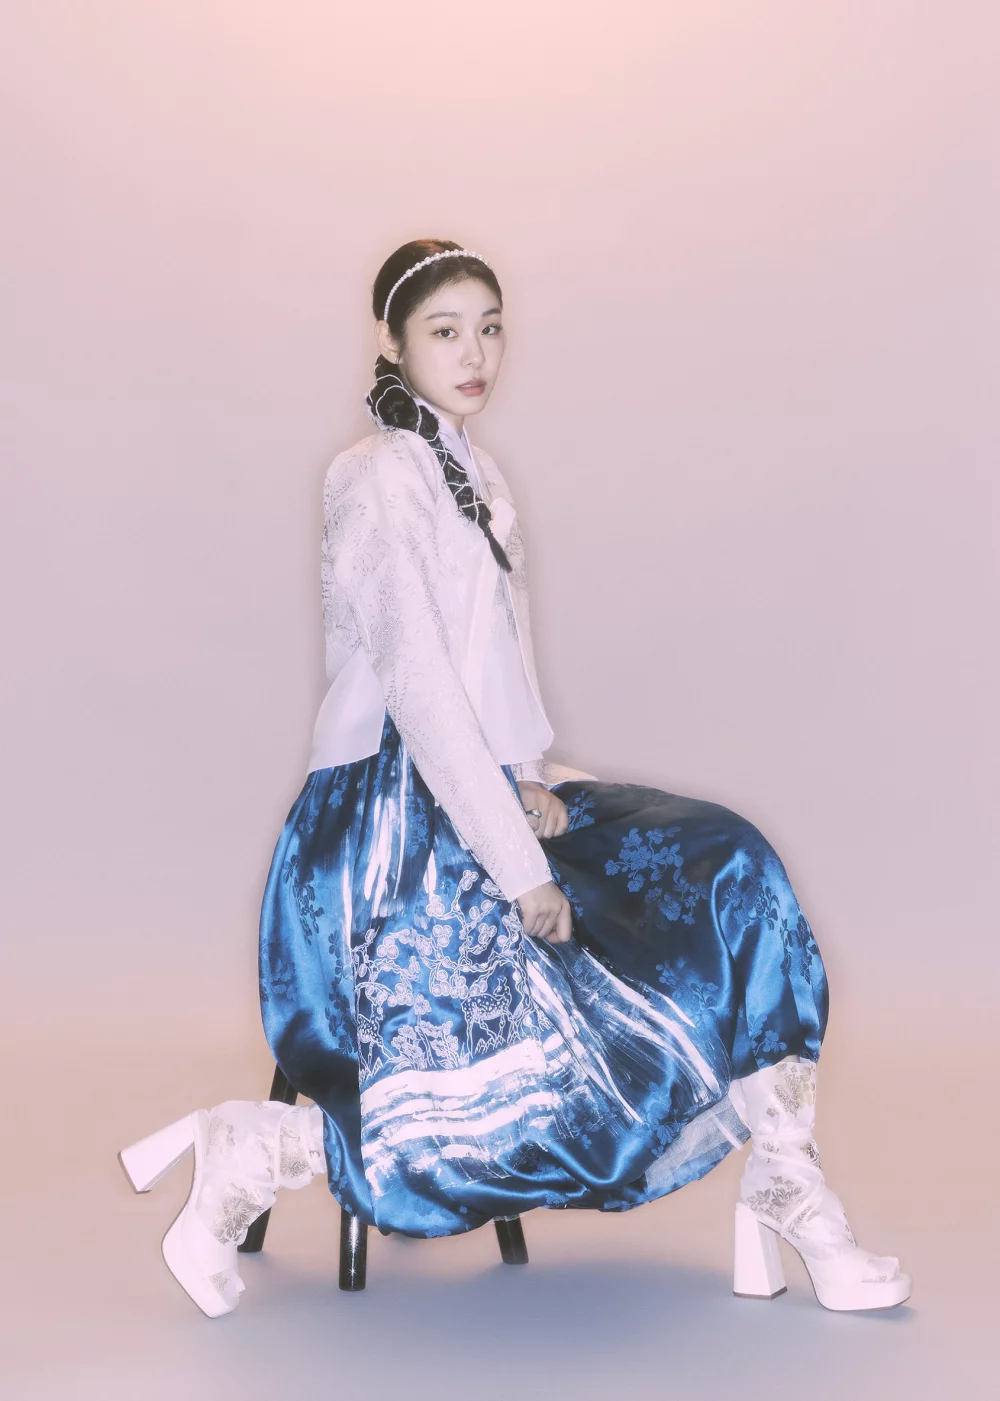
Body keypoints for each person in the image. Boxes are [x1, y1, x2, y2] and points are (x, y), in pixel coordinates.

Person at [119, 239, 911, 1318]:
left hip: (483, 785)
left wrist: (531, 775)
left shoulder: (480, 475)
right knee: (520, 1033)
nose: (476, 353)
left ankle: (786, 1176)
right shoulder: (371, 477)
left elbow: (497, 662)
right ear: (392, 341)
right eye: (445, 331)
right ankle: (251, 1153)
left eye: (490, 328)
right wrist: (517, 859)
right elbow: (418, 685)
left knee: (727, 859)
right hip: (385, 821)